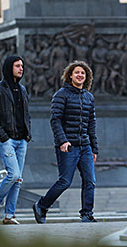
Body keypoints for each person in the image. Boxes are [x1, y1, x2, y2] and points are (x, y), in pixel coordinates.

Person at [33, 60, 99, 223]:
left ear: (86, 77)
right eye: (77, 72)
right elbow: (55, 120)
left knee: (90, 181)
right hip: (68, 147)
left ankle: (87, 214)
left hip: (85, 147)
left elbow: (91, 124)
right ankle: (41, 206)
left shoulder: (89, 97)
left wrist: (94, 148)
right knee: (64, 181)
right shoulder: (61, 95)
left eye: (83, 73)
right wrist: (63, 141)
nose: (80, 75)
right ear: (70, 75)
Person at [0, 56, 31, 225]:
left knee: (18, 180)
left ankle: (9, 216)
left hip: (22, 140)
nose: (21, 69)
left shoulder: (23, 90)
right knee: (14, 174)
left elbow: (26, 114)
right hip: (6, 140)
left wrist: (27, 134)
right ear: (8, 67)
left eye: (22, 66)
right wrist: (3, 135)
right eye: (17, 65)